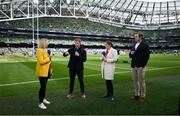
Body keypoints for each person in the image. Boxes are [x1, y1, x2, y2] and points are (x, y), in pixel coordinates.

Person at [129, 33, 150, 102]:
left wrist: (143, 65)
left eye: (136, 36)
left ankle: (143, 96)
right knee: (135, 81)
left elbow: (147, 56)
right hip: (133, 65)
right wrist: (131, 54)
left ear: (140, 37)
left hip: (140, 66)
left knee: (141, 81)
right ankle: (136, 95)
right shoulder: (133, 45)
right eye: (134, 36)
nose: (134, 37)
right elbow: (130, 55)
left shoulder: (145, 45)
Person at [35, 39, 52, 109]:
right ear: (43, 43)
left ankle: (43, 98)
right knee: (42, 87)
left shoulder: (45, 50)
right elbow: (42, 61)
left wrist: (50, 71)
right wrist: (49, 57)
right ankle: (40, 102)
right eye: (47, 43)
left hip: (46, 71)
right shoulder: (39, 50)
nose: (48, 44)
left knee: (44, 87)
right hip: (42, 72)